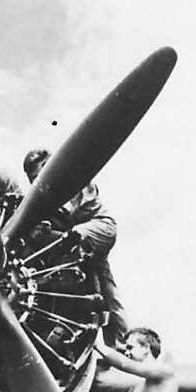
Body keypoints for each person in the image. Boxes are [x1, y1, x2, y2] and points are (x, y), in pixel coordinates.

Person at [23, 148, 127, 347]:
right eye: (32, 179)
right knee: (109, 292)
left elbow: (69, 214)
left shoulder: (75, 183)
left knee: (72, 238)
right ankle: (116, 345)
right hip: (79, 240)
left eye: (38, 176)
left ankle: (123, 344)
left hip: (98, 227)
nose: (35, 183)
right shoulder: (44, 195)